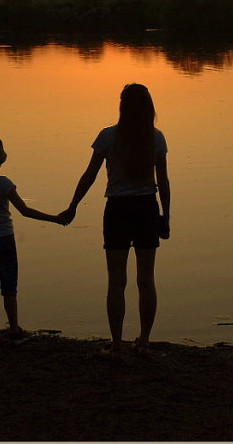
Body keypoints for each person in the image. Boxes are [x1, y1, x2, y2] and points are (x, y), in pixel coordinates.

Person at [61, 83, 171, 359]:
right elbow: (164, 182)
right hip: (146, 209)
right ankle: (144, 343)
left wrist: (73, 206)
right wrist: (165, 216)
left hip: (118, 211)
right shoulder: (156, 138)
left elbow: (89, 175)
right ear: (149, 106)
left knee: (116, 283)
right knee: (146, 281)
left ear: (122, 105)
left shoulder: (108, 136)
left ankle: (117, 345)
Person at [0, 136, 67, 347]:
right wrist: (55, 219)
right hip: (4, 240)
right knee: (9, 288)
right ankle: (14, 331)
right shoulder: (4, 184)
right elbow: (25, 211)